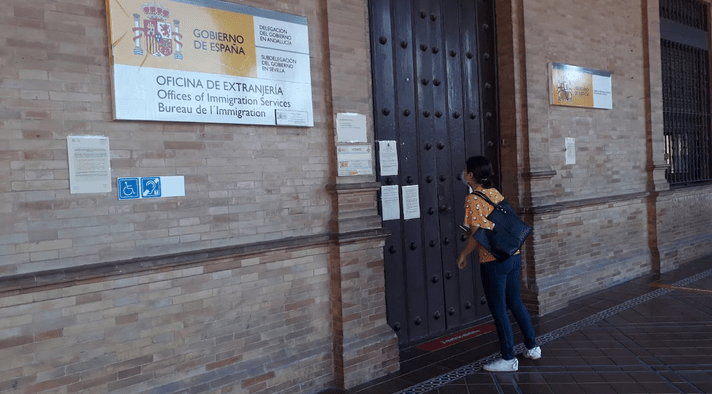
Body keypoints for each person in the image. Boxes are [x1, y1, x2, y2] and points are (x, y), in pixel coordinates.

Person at [456, 156, 541, 372]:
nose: (464, 172)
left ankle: (508, 358)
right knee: (516, 302)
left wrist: (463, 254)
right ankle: (532, 347)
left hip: (493, 260)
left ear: (471, 175)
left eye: (466, 170)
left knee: (499, 309)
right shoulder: (494, 193)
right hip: (513, 254)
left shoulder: (472, 199)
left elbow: (476, 236)